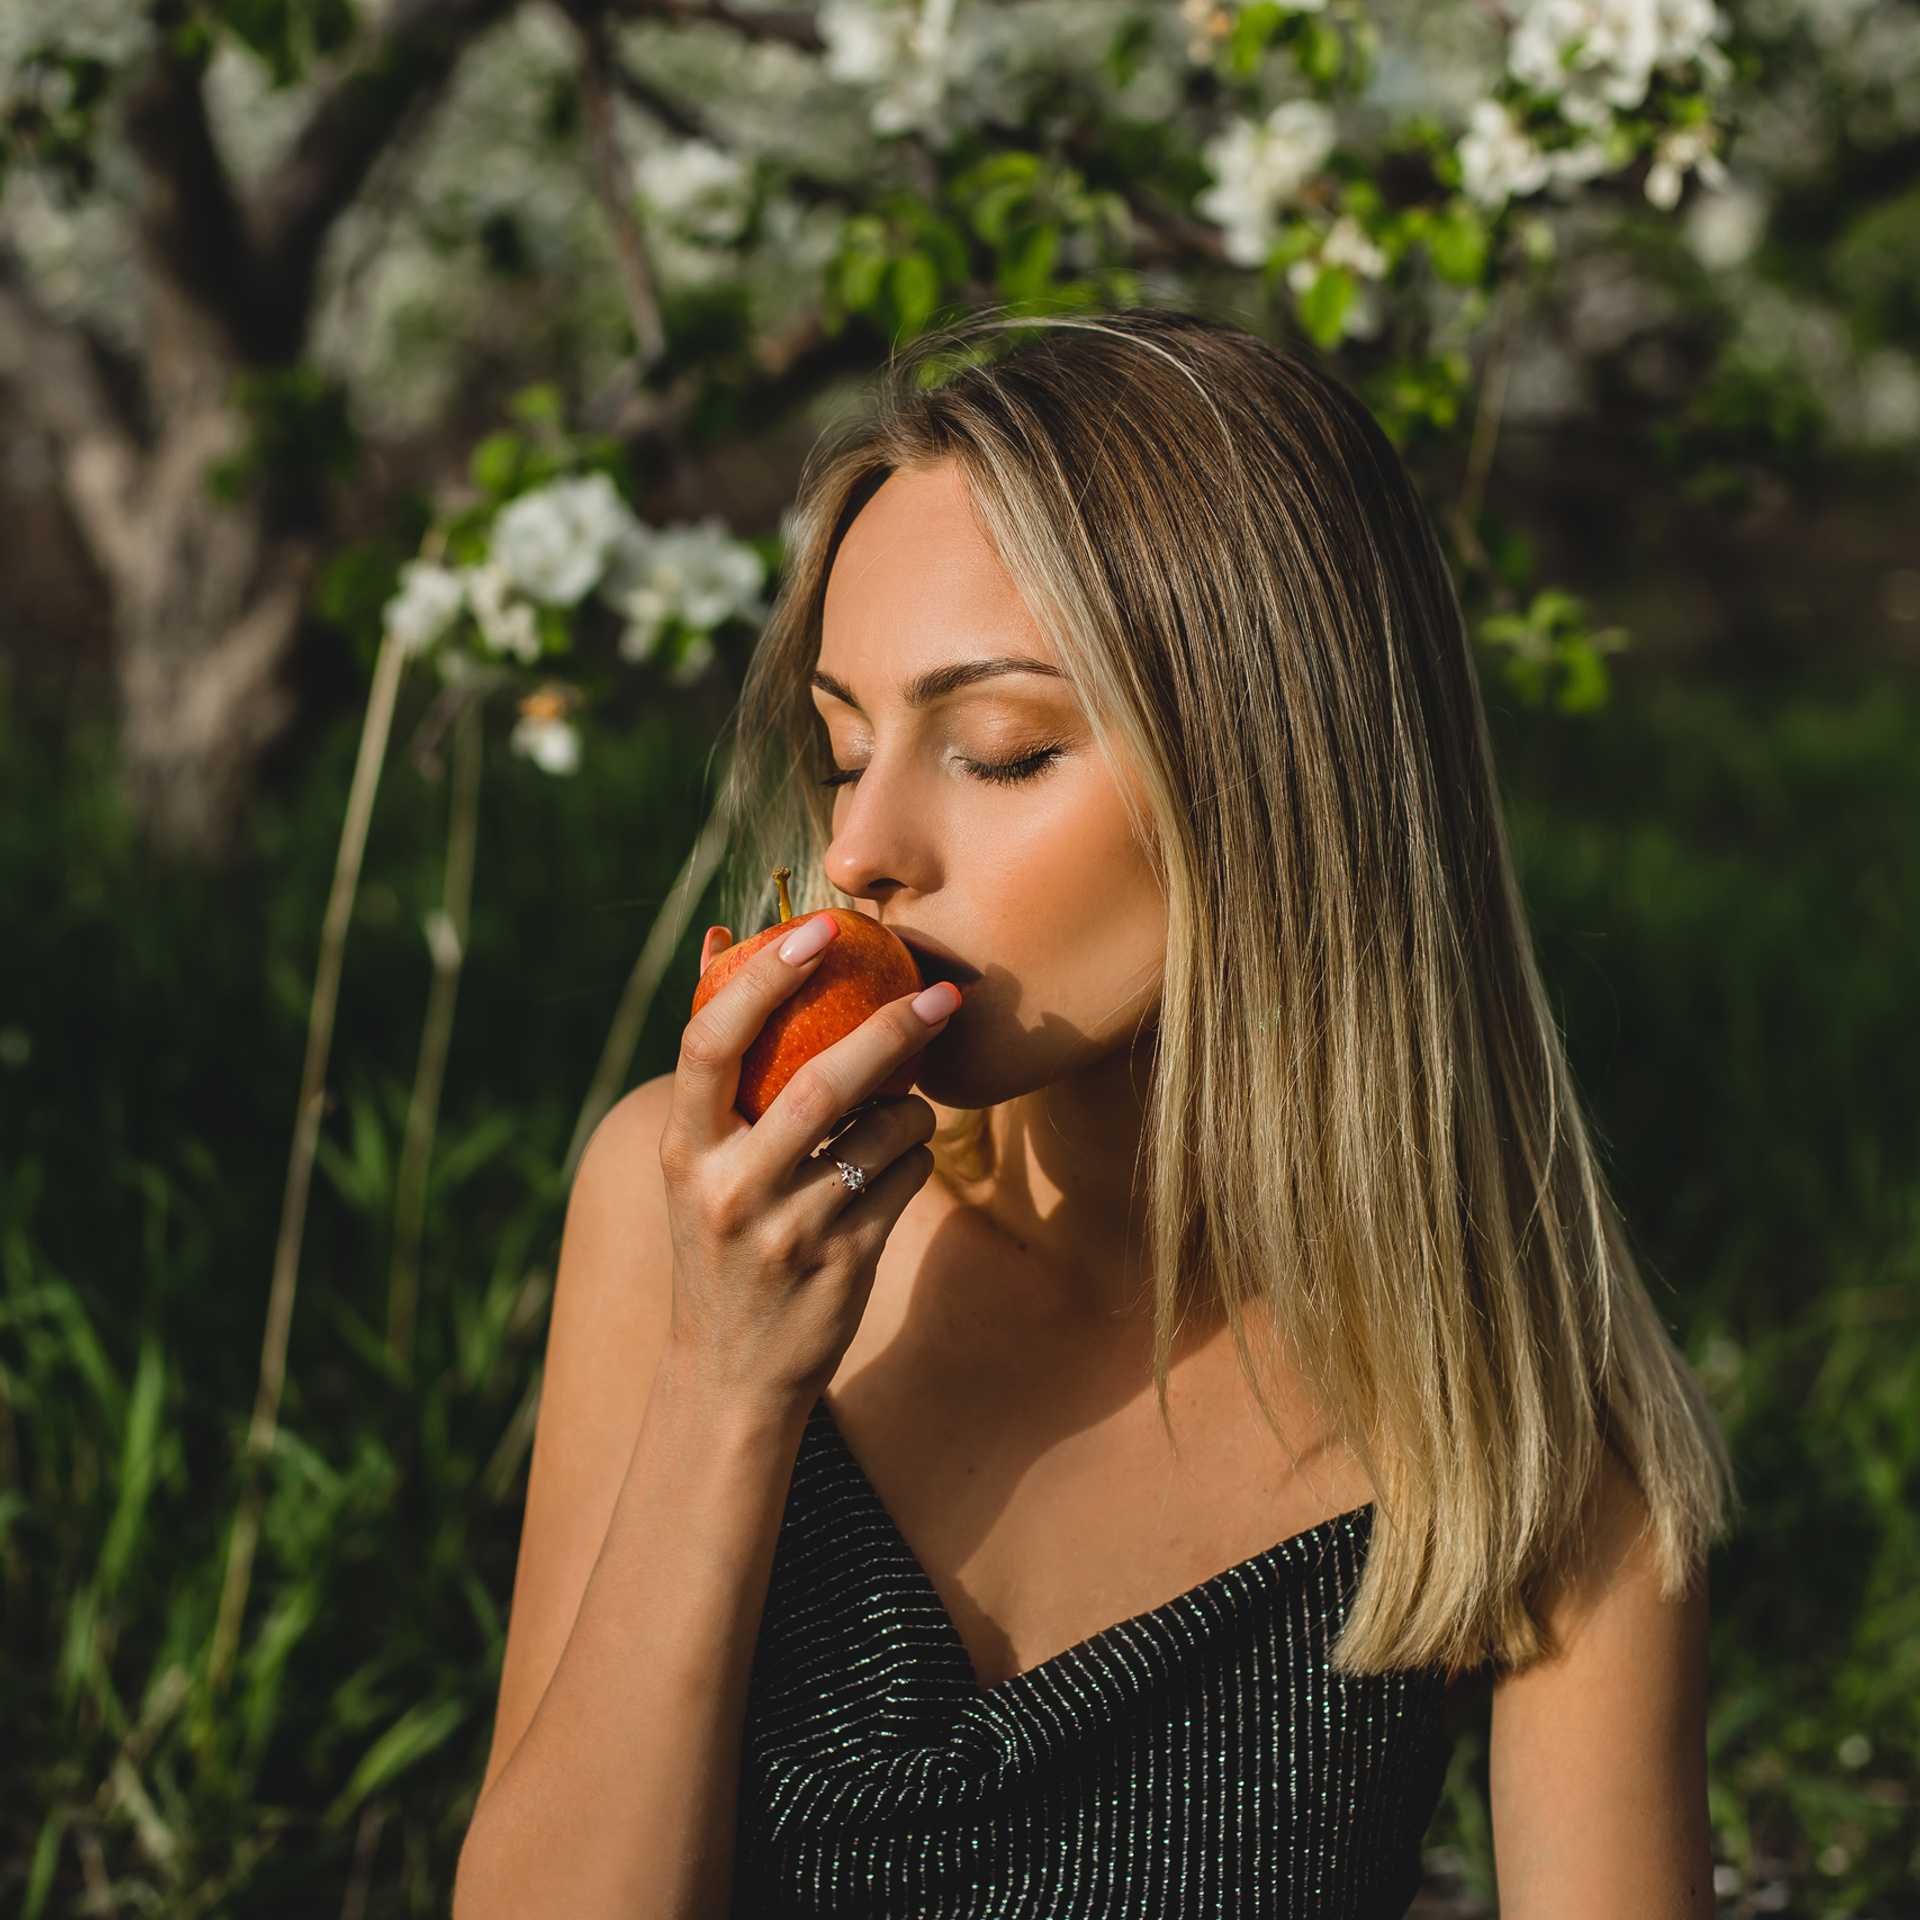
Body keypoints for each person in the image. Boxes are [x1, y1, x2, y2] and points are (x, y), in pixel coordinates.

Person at [453, 311, 1728, 1919]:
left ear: (1274, 779)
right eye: (846, 749)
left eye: (997, 752)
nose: (862, 848)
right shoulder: (696, 1210)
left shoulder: (1519, 1421)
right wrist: (725, 1384)